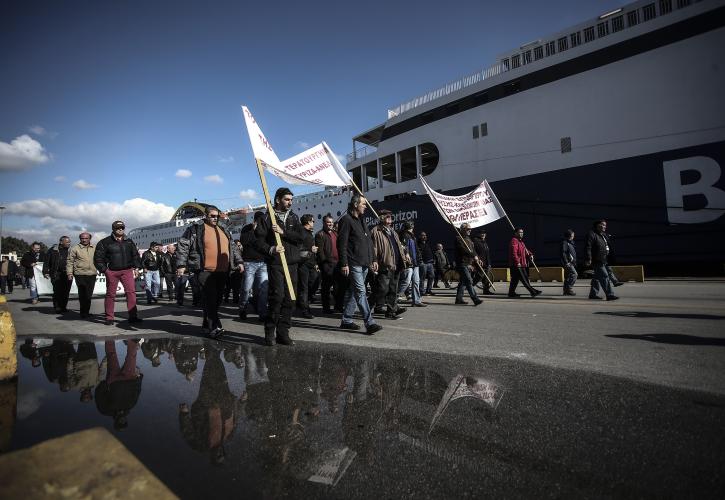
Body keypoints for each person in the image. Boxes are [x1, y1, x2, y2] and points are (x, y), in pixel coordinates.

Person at [176, 206, 242, 337]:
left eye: (217, 216)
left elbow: (232, 246)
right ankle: (215, 327)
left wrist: (239, 261)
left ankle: (206, 324)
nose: (215, 218)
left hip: (222, 270)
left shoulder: (223, 229)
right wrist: (181, 264)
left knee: (217, 300)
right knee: (211, 298)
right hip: (204, 270)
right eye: (212, 216)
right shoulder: (195, 228)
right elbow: (183, 245)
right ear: (205, 215)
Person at [254, 187, 304, 346]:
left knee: (290, 300)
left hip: (292, 263)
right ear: (277, 200)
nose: (290, 202)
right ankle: (270, 332)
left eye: (291, 199)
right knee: (277, 298)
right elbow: (257, 241)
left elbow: (301, 237)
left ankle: (283, 333)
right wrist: (271, 249)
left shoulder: (294, 218)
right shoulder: (267, 218)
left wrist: (283, 233)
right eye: (287, 199)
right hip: (276, 264)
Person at [337, 193, 382, 334]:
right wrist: (344, 263)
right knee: (361, 292)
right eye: (363, 204)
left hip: (365, 263)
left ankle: (346, 320)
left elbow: (369, 243)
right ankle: (370, 323)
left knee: (353, 292)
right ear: (356, 204)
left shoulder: (362, 221)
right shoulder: (346, 220)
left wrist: (373, 260)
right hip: (354, 263)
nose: (365, 206)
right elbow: (341, 244)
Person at [93, 220, 143, 325]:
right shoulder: (104, 242)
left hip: (127, 271)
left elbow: (135, 255)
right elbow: (98, 258)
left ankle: (133, 316)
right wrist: (105, 270)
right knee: (110, 295)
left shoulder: (129, 241)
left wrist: (137, 268)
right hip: (112, 271)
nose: (120, 229)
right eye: (118, 228)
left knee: (131, 293)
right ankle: (109, 317)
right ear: (113, 229)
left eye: (122, 228)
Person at [95, 340, 143, 430]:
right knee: (131, 356)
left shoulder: (106, 410)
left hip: (114, 381)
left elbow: (99, 396)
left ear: (116, 422)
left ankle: (110, 338)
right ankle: (132, 340)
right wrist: (139, 379)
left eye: (120, 423)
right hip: (129, 379)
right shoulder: (130, 406)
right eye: (124, 422)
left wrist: (104, 385)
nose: (122, 420)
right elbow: (137, 391)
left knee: (111, 355)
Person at [370, 209, 407, 319]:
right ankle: (367, 306)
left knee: (393, 289)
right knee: (382, 289)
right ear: (381, 218)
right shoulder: (376, 231)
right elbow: (373, 249)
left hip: (396, 264)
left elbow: (399, 247)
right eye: (387, 216)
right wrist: (374, 261)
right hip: (385, 265)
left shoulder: (393, 231)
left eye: (390, 216)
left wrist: (404, 260)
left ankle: (391, 311)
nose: (390, 218)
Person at [239, 211, 268, 321]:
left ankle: (262, 313)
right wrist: (253, 230)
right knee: (246, 289)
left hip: (263, 263)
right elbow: (244, 241)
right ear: (255, 220)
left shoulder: (265, 230)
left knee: (263, 289)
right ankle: (243, 309)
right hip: (249, 262)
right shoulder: (247, 228)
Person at [315, 214, 344, 314]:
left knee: (339, 287)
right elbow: (320, 252)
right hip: (328, 265)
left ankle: (339, 306)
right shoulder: (320, 234)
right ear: (324, 223)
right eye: (328, 222)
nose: (330, 224)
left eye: (331, 222)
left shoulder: (336, 233)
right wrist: (324, 265)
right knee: (326, 288)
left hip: (338, 264)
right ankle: (326, 308)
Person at [584, 219, 618, 301]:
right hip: (597, 259)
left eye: (605, 225)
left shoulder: (603, 235)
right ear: (597, 225)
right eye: (602, 225)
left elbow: (607, 246)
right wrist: (589, 258)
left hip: (604, 259)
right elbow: (588, 247)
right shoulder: (592, 234)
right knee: (604, 276)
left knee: (596, 278)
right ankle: (610, 295)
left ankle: (593, 294)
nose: (604, 227)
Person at [66, 232, 98, 318]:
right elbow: (69, 261)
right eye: (82, 238)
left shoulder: (95, 248)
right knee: (82, 294)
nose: (84, 240)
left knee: (89, 294)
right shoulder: (74, 248)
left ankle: (86, 312)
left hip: (92, 274)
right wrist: (69, 273)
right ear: (80, 239)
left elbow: (99, 259)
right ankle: (83, 312)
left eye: (86, 238)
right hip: (80, 274)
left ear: (89, 239)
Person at [507, 228, 542, 298]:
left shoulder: (521, 242)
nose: (521, 234)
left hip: (521, 264)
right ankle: (533, 292)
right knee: (524, 278)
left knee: (515, 279)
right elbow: (514, 253)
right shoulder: (514, 241)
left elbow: (526, 251)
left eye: (522, 232)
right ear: (515, 233)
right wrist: (517, 262)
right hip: (517, 264)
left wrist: (530, 255)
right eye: (519, 232)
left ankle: (511, 293)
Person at [397, 221, 425, 307]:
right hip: (409, 263)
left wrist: (419, 259)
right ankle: (394, 297)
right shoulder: (403, 235)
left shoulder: (412, 236)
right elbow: (402, 246)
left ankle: (416, 301)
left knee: (416, 281)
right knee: (406, 281)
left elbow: (416, 250)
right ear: (410, 226)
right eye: (412, 225)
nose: (413, 227)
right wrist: (406, 254)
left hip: (415, 262)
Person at [43, 236, 73, 313]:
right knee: (57, 291)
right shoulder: (52, 250)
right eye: (67, 242)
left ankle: (63, 307)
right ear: (61, 242)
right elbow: (46, 262)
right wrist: (45, 272)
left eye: (69, 242)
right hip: (56, 274)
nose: (69, 243)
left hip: (67, 274)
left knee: (66, 291)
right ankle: (57, 307)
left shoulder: (71, 250)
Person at [296, 214, 318, 319]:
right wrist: (310, 248)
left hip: (311, 263)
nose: (314, 223)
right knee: (304, 288)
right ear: (308, 222)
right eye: (313, 221)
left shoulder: (309, 233)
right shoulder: (301, 232)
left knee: (314, 283)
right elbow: (298, 248)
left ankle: (302, 304)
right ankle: (305, 310)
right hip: (303, 264)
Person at [454, 223, 482, 306]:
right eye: (468, 229)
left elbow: (473, 250)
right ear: (462, 230)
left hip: (468, 263)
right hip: (462, 263)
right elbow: (463, 250)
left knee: (463, 282)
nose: (470, 230)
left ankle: (458, 299)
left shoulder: (468, 239)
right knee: (469, 280)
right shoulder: (458, 238)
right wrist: (473, 255)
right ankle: (475, 299)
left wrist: (476, 257)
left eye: (470, 229)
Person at [471, 231, 494, 295]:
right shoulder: (476, 241)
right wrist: (477, 259)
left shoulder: (484, 242)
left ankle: (486, 290)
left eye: (484, 233)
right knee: (480, 275)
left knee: (486, 277)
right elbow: (473, 251)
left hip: (486, 262)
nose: (483, 234)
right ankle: (470, 286)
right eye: (481, 233)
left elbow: (487, 254)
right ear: (479, 234)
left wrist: (489, 263)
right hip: (479, 262)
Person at [417, 231, 436, 296]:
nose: (424, 236)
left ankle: (428, 290)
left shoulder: (427, 243)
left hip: (430, 262)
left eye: (425, 235)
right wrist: (421, 261)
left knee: (432, 276)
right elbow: (418, 254)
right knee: (422, 277)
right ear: (420, 236)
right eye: (423, 235)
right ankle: (421, 291)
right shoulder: (418, 244)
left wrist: (433, 260)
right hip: (423, 263)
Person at [561, 229, 578, 296]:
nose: (574, 236)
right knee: (574, 274)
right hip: (568, 263)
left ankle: (566, 291)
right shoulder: (565, 242)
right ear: (570, 235)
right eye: (573, 235)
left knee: (568, 277)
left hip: (571, 262)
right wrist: (566, 262)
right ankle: (569, 289)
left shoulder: (571, 242)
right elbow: (563, 253)